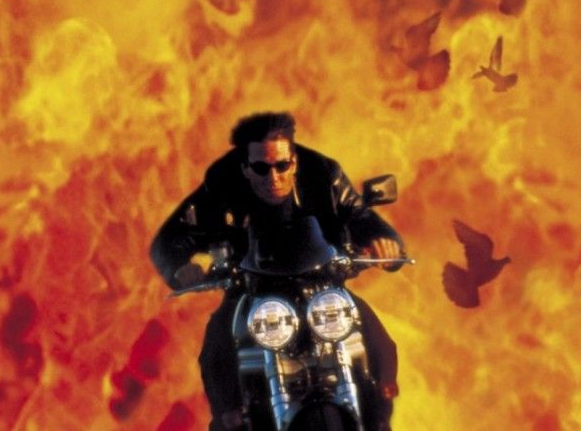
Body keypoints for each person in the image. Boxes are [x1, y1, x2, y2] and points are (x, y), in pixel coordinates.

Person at [150, 111, 404, 430]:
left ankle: (379, 417)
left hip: (320, 285)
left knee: (370, 328)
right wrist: (180, 269)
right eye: (262, 168)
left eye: (282, 166)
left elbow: (358, 215)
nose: (273, 177)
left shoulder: (323, 176)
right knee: (217, 338)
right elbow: (167, 241)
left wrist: (385, 244)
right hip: (252, 290)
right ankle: (228, 418)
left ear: (293, 162)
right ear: (246, 168)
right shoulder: (221, 185)